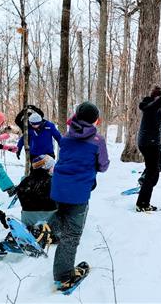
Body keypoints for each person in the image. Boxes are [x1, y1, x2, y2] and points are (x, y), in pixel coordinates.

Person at [46, 101, 109, 291]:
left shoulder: (66, 136)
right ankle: (64, 276)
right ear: (95, 120)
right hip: (79, 192)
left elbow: (66, 158)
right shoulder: (97, 140)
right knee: (71, 234)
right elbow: (103, 165)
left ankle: (43, 229)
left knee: (62, 214)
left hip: (58, 187)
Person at [135, 77, 161, 212]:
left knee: (160, 159)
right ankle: (142, 203)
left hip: (150, 142)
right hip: (149, 144)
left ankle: (145, 178)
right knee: (153, 174)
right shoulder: (151, 106)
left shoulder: (151, 104)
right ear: (156, 97)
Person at [16, 155, 57, 227]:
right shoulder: (53, 181)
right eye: (51, 166)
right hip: (49, 219)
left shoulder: (24, 181)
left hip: (27, 219)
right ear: (46, 167)